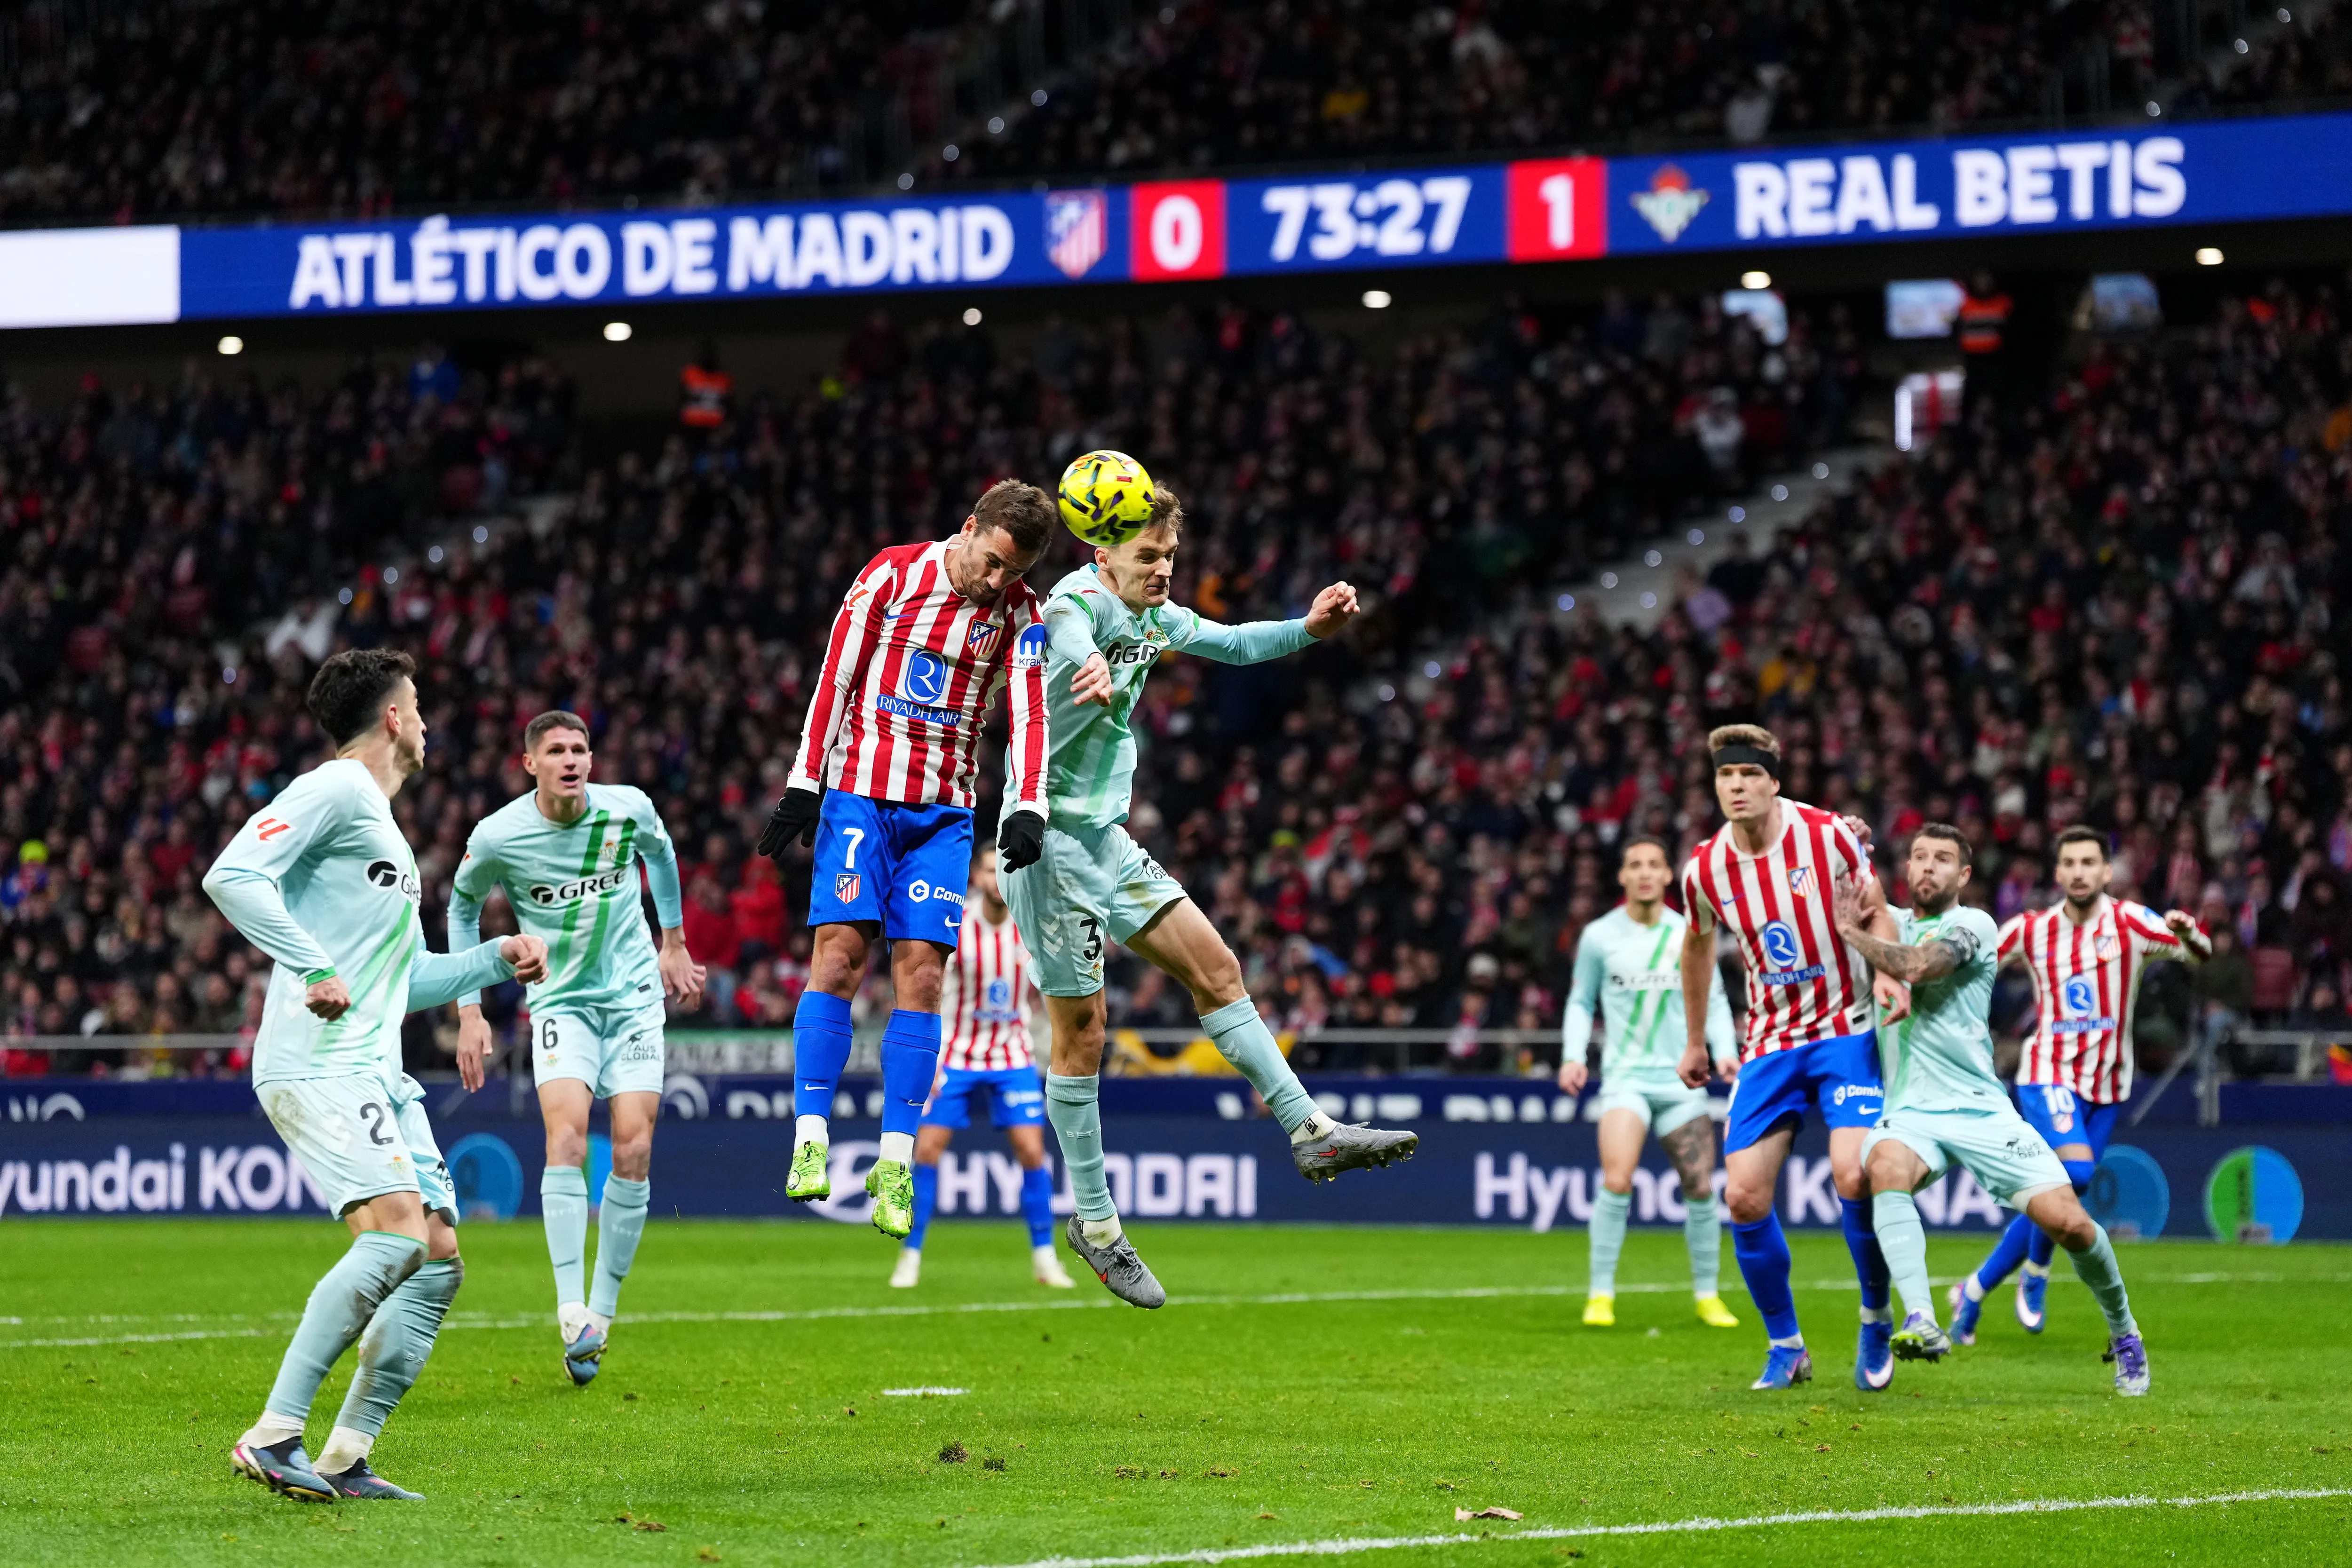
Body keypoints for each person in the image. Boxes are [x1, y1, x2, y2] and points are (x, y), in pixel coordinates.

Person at [1008, 485, 1417, 1307]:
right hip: (1045, 841)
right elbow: (1069, 626)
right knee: (1082, 1033)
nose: (1162, 569)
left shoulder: (1156, 616)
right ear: (1105, 554)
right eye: (1147, 556)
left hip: (1107, 839)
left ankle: (1311, 1131)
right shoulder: (1074, 601)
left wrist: (1309, 628)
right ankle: (1095, 1221)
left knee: (1220, 968)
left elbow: (1233, 642)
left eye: (1169, 557)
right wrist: (1084, 659)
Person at [203, 649, 549, 1501]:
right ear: (393, 716)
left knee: (434, 1257)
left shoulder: (384, 828)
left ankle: (345, 1452)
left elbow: (398, 984)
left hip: (374, 1063)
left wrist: (492, 961)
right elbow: (231, 874)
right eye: (419, 705)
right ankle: (274, 1432)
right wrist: (310, 963)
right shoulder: (338, 789)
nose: (427, 721)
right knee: (395, 1234)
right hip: (318, 1060)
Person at [756, 479, 1057, 1240]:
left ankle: (894, 1160)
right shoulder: (889, 574)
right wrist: (804, 782)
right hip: (859, 795)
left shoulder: (1022, 614)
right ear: (967, 528)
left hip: (944, 815)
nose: (995, 582)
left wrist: (1027, 802)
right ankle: (810, 1137)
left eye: (1010, 574)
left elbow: (1028, 711)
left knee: (922, 972)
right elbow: (836, 679)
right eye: (990, 562)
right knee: (840, 959)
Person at [1833, 825, 2151, 1395]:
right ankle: (1921, 1319)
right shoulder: (1889, 923)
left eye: (1943, 859)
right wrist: (1848, 838)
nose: (1928, 867)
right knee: (1878, 1166)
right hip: (1911, 1112)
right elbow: (1839, 879)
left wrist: (1852, 933)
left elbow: (1920, 966)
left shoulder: (1974, 926)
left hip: (1982, 1109)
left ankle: (2125, 1331)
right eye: (1920, 857)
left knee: (2072, 1224)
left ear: (1964, 875)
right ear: (1906, 869)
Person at [449, 711, 706, 1386]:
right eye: (557, 750)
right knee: (564, 1139)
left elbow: (663, 854)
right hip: (562, 1002)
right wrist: (470, 1006)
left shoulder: (628, 811)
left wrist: (672, 940)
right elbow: (460, 907)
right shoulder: (499, 835)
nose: (572, 759)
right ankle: (570, 1310)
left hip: (632, 1001)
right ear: (530, 762)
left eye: (581, 748)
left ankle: (603, 1314)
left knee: (634, 1148)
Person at [1677, 723, 1906, 1392]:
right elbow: (1694, 947)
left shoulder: (1827, 835)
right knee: (1744, 1196)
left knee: (1852, 1175)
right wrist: (1696, 1038)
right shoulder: (1705, 868)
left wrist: (1890, 972)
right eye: (1725, 776)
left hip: (1846, 1028)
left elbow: (1878, 910)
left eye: (1748, 775)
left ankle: (1874, 1312)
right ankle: (1787, 1345)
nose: (1736, 786)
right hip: (1771, 1040)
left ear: (1774, 780)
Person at [1949, 825, 2209, 1343]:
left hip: (2108, 1085)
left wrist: (2189, 932)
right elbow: (1973, 968)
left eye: (2090, 862)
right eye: (2070, 863)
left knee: (2062, 1191)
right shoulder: (2031, 929)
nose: (2079, 871)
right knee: (2075, 1174)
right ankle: (2037, 1272)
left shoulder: (2131, 922)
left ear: (2107, 871)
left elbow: (2195, 953)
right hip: (2048, 1073)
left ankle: (1975, 1290)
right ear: (2059, 872)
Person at [1557, 835, 1742, 1329]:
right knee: (1617, 1180)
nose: (1643, 872)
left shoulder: (1690, 932)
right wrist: (1574, 1056)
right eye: (1634, 864)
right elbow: (1580, 1001)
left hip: (1681, 1081)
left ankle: (1707, 1294)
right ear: (1622, 876)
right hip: (1625, 1081)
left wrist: (1725, 1051)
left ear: (1667, 876)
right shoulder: (1599, 936)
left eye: (1653, 864)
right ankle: (1600, 1294)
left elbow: (1717, 999)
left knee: (1702, 1188)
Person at [889, 847, 1073, 1291]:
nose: (998, 877)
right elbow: (925, 987)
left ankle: (1045, 1259)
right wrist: (927, 1056)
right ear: (977, 875)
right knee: (928, 1151)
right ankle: (910, 1257)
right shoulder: (957, 925)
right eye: (992, 869)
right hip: (956, 1054)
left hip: (1011, 1055)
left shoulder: (1028, 924)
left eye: (1004, 870)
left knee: (1032, 1153)